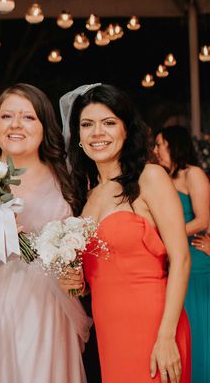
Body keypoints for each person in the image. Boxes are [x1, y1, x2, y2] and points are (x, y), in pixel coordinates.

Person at [0, 83, 90, 382]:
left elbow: (80, 268)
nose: (15, 125)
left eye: (28, 117)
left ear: (44, 125)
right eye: (7, 116)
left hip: (48, 314)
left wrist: (77, 280)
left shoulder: (67, 182)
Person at [63, 84, 191, 383]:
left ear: (126, 130)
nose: (97, 133)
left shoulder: (150, 177)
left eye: (108, 123)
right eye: (87, 124)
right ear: (78, 137)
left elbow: (181, 259)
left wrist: (166, 335)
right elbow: (97, 276)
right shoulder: (87, 196)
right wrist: (74, 283)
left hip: (155, 325)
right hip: (109, 329)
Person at [154, 126, 210, 383]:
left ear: (174, 144)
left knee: (199, 332)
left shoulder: (193, 174)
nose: (155, 151)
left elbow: (202, 219)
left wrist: (166, 238)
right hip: (170, 263)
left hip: (195, 260)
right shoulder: (162, 179)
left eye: (159, 145)